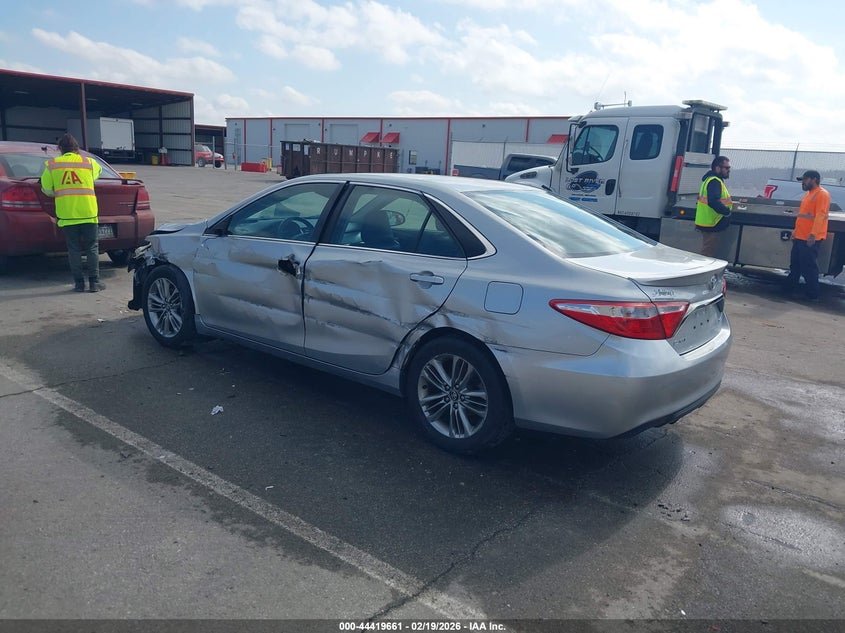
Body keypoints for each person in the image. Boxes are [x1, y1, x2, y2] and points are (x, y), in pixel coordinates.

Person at [40, 133, 104, 292]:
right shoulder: (89, 162)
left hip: (67, 215)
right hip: (88, 212)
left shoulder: (52, 165)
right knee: (92, 247)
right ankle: (95, 282)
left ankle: (79, 283)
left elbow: (47, 189)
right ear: (77, 148)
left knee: (73, 249)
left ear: (60, 148)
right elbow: (97, 174)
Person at [784, 169, 830, 302]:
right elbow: (803, 217)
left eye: (805, 179)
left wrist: (812, 235)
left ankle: (812, 294)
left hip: (809, 238)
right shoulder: (809, 194)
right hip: (800, 237)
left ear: (814, 179)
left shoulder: (822, 194)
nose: (802, 183)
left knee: (808, 267)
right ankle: (788, 289)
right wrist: (795, 232)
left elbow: (820, 216)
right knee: (796, 265)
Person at [695, 155, 733, 257]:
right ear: (717, 168)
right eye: (726, 168)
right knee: (707, 253)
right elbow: (713, 201)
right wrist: (727, 212)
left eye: (729, 168)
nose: (728, 170)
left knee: (707, 250)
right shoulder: (714, 181)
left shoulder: (710, 179)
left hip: (708, 222)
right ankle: (703, 272)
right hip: (712, 223)